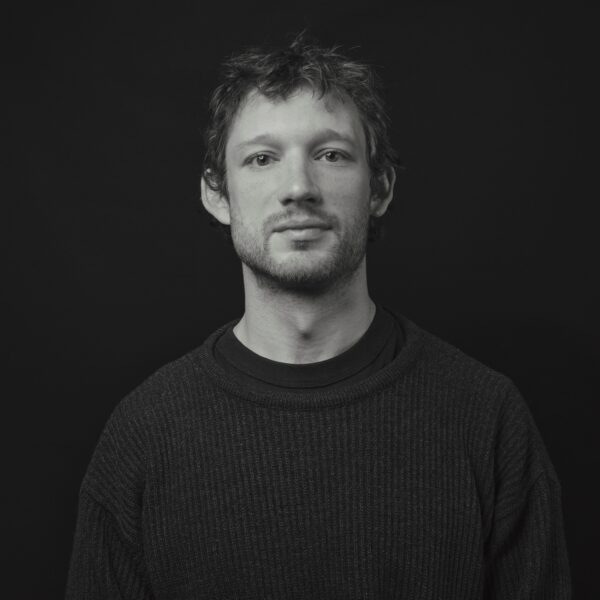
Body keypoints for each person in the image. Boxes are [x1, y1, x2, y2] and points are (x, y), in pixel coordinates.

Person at [65, 33, 572, 599]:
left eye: (330, 155)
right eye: (261, 159)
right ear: (217, 194)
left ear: (380, 187)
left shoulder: (487, 418)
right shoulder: (143, 435)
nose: (298, 188)